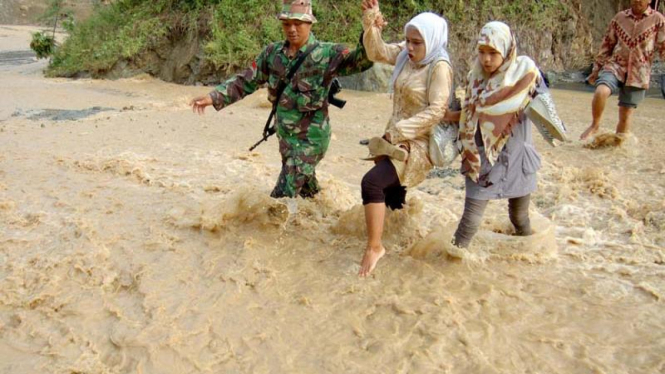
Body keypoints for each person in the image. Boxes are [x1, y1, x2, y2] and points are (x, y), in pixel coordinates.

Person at [190, 0, 373, 198]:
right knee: (307, 194)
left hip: (311, 140)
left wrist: (370, 27)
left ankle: (269, 228)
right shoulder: (272, 54)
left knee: (280, 198)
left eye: (298, 23)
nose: (292, 29)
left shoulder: (328, 54)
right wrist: (213, 97)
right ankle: (322, 217)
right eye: (286, 24)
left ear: (310, 23)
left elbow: (363, 60)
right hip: (286, 138)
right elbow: (245, 81)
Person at [357, 0, 453, 277]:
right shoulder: (407, 55)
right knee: (392, 198)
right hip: (393, 137)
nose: (409, 47)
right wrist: (371, 19)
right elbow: (376, 52)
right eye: (408, 40)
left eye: (416, 43)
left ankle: (375, 247)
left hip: (418, 143)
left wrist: (399, 133)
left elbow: (437, 111)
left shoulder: (439, 67)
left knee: (372, 183)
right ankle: (406, 251)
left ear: (432, 41)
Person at [443, 21, 545, 249]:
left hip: (518, 158)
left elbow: (545, 110)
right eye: (481, 52)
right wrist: (446, 115)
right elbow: (471, 115)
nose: (486, 59)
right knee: (469, 222)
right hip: (482, 160)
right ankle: (451, 263)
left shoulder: (526, 77)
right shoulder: (475, 78)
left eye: (493, 53)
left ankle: (530, 257)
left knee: (519, 218)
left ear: (507, 51)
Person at [580, 0, 665, 140]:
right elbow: (607, 45)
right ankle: (595, 125)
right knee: (601, 91)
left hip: (639, 72)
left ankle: (617, 152)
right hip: (615, 65)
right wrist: (596, 70)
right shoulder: (620, 18)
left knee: (625, 116)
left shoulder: (658, 20)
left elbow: (663, 48)